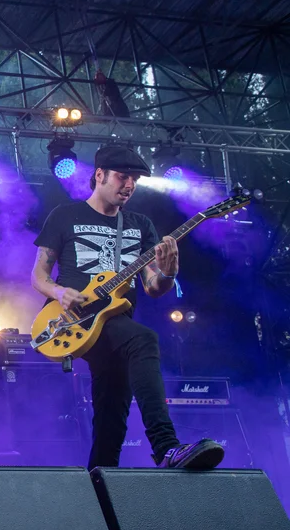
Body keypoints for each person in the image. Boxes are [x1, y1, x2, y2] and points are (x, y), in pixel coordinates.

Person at [31, 145, 223, 470]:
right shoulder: (65, 216)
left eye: (135, 179)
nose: (130, 185)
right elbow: (38, 275)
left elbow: (153, 287)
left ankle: (98, 484)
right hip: (72, 321)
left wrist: (169, 272)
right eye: (123, 176)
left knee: (111, 416)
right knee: (144, 339)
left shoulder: (140, 225)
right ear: (100, 175)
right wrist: (60, 292)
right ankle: (166, 447)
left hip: (115, 321)